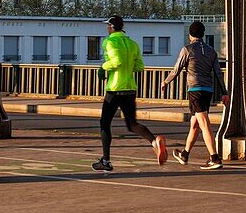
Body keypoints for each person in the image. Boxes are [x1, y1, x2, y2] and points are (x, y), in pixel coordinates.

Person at [92, 15, 167, 172]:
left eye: (108, 26)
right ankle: (154, 142)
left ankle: (106, 160)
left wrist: (103, 67)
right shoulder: (133, 43)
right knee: (131, 124)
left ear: (111, 27)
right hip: (130, 88)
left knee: (104, 123)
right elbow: (139, 66)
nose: (107, 28)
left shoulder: (109, 42)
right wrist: (127, 68)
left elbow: (116, 61)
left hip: (114, 88)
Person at [161, 20, 228, 171]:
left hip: (195, 90)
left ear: (190, 34)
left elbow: (176, 69)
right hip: (208, 90)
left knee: (204, 123)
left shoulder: (187, 49)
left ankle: (214, 158)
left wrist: (165, 82)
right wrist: (224, 92)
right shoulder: (211, 51)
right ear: (203, 34)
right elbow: (218, 73)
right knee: (195, 124)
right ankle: (184, 154)